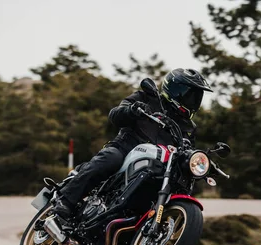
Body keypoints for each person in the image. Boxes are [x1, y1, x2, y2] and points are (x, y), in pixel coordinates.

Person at [52, 68, 213, 220]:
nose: (193, 101)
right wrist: (132, 110)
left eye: (197, 96)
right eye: (189, 94)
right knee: (110, 158)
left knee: (178, 185)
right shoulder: (146, 98)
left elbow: (188, 148)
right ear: (174, 89)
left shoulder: (189, 127)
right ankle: (66, 200)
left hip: (159, 165)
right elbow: (115, 115)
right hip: (126, 149)